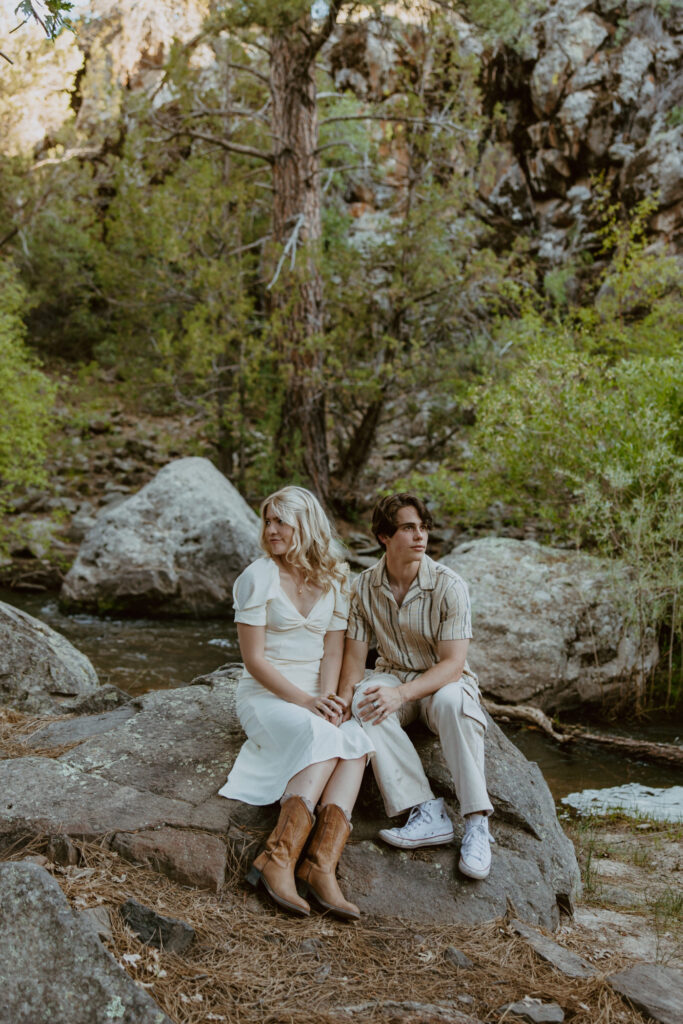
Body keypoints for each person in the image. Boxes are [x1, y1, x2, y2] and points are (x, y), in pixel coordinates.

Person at [218, 486, 374, 919]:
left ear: (305, 526)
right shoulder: (257, 577)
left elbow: (332, 648)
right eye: (267, 521)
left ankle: (320, 865)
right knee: (320, 736)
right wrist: (307, 703)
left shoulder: (337, 576)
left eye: (280, 521)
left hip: (313, 694)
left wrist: (330, 699)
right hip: (269, 696)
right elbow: (254, 661)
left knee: (357, 744)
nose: (270, 530)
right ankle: (277, 856)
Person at [337, 493, 494, 881]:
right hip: (393, 674)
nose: (420, 536)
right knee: (364, 700)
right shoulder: (362, 588)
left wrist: (402, 695)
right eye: (408, 528)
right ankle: (426, 810)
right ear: (383, 537)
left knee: (454, 702)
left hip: (441, 683)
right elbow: (355, 661)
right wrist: (343, 702)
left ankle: (476, 824)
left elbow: (453, 665)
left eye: (423, 527)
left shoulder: (448, 585)